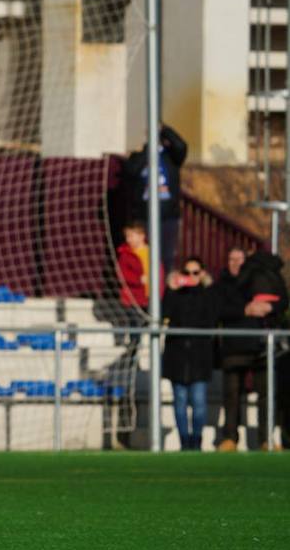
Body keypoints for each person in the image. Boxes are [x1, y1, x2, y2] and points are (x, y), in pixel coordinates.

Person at [214, 246, 286, 451]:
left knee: (266, 393)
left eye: (239, 259)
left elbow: (282, 301)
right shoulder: (223, 285)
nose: (235, 263)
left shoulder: (261, 280)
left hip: (261, 346)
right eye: (231, 259)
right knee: (232, 394)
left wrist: (270, 308)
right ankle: (230, 439)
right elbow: (218, 310)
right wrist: (245, 310)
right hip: (234, 347)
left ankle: (266, 439)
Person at [162, 257, 222, 451]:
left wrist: (204, 289)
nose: (191, 277)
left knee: (198, 402)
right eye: (187, 273)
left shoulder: (209, 294)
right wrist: (170, 289)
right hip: (177, 357)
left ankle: (196, 441)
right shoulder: (175, 294)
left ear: (202, 273)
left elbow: (212, 318)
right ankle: (184, 442)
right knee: (179, 402)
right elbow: (164, 312)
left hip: (199, 357)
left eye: (195, 273)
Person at [119, 123, 187, 275]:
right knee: (143, 254)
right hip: (145, 217)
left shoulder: (171, 156)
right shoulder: (139, 156)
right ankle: (144, 290)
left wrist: (164, 130)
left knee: (166, 256)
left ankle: (162, 292)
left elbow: (181, 146)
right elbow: (132, 170)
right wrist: (149, 148)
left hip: (167, 216)